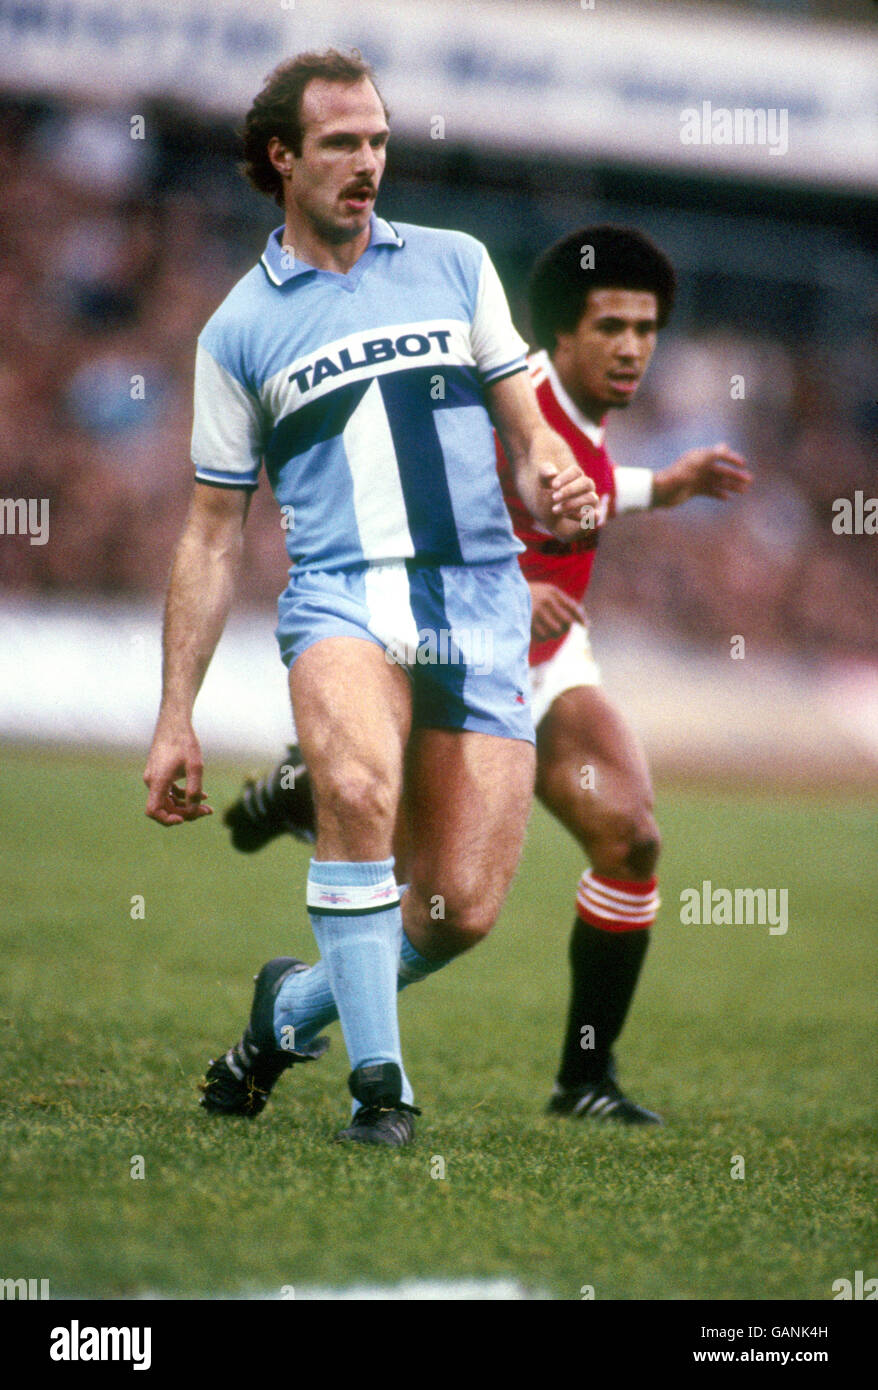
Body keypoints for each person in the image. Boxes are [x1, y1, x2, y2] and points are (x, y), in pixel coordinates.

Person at [142, 49, 597, 1148]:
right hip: (343, 603)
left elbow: (528, 430)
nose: (368, 162)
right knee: (351, 784)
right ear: (280, 157)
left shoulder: (454, 263)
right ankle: (379, 1089)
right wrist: (174, 716)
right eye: (341, 142)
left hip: (480, 606)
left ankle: (283, 1015)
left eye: (380, 139)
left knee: (458, 909)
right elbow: (212, 532)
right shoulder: (238, 330)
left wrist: (552, 476)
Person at [223, 223, 753, 1125]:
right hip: (461, 658)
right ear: (560, 337)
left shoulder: (582, 422)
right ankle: (316, 799)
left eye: (647, 328)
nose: (633, 348)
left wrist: (666, 486)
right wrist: (521, 591)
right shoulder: (507, 403)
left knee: (632, 839)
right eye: (612, 326)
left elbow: (585, 477)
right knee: (428, 896)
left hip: (547, 667)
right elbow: (441, 507)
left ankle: (584, 1078)